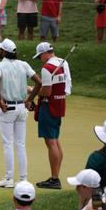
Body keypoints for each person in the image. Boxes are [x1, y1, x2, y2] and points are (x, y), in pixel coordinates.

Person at [0, 39, 41, 189]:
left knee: (8, 144)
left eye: (0, 49)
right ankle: (23, 178)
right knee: (20, 144)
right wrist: (29, 100)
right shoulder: (24, 65)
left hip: (8, 108)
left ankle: (8, 178)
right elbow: (39, 82)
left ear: (5, 52)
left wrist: (0, 99)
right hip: (22, 108)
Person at [26, 42, 71, 190]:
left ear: (45, 53)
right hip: (60, 104)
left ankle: (54, 178)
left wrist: (32, 90)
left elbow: (46, 91)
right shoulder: (63, 63)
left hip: (48, 106)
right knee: (56, 141)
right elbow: (67, 88)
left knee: (50, 142)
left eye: (40, 56)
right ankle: (55, 176)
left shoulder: (47, 68)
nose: (40, 59)